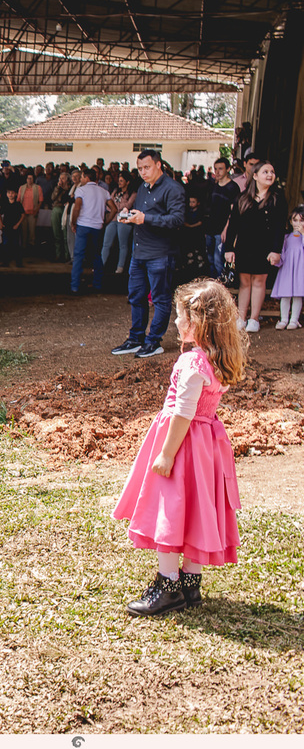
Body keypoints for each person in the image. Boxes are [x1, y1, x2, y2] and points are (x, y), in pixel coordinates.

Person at [112, 279, 248, 616]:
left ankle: (168, 587)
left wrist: (166, 453)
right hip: (205, 447)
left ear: (198, 322)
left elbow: (183, 413)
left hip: (182, 444)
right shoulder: (216, 360)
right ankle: (190, 583)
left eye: (181, 316)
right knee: (195, 509)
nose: (175, 321)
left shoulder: (192, 363)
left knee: (170, 511)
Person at [111, 150, 185, 359]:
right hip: (139, 251)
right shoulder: (143, 188)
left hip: (161, 253)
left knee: (160, 299)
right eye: (140, 168)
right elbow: (141, 215)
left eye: (147, 167)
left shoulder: (173, 188)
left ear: (158, 165)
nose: (143, 172)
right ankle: (136, 338)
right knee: (136, 296)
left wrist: (146, 219)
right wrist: (129, 216)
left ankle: (153, 341)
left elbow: (177, 220)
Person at [224, 161, 287, 333]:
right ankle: (241, 318)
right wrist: (229, 248)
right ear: (256, 175)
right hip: (244, 246)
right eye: (265, 172)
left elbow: (280, 227)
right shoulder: (243, 198)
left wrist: (276, 250)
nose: (270, 175)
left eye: (272, 172)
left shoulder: (277, 199)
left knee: (259, 282)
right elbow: (233, 225)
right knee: (244, 283)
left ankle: (254, 319)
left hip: (265, 248)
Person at [70, 168, 109, 293]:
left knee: (79, 256)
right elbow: (113, 209)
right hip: (97, 227)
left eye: (82, 177)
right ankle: (97, 284)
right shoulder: (103, 191)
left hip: (83, 225)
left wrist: (73, 222)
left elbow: (77, 207)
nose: (81, 179)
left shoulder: (81, 190)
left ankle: (75, 285)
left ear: (86, 177)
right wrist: (105, 222)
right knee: (96, 255)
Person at [204, 158, 239, 278]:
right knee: (210, 260)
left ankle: (221, 285)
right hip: (210, 228)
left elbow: (234, 212)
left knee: (218, 261)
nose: (217, 172)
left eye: (221, 169)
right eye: (216, 169)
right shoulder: (213, 186)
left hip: (222, 230)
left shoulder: (233, 187)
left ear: (228, 169)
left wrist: (227, 229)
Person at [271, 206, 304, 330]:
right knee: (285, 295)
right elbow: (282, 253)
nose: (298, 223)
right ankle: (284, 319)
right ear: (290, 221)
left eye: (301, 220)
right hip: (287, 269)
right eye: (295, 220)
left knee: (297, 295)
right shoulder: (286, 237)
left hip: (300, 269)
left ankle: (294, 320)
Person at [0, 185, 24, 267]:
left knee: (16, 245)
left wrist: (18, 224)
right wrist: (1, 224)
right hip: (6, 227)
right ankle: (5, 262)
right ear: (6, 194)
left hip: (15, 227)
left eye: (12, 193)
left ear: (15, 194)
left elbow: (23, 215)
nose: (10, 195)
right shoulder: (4, 204)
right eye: (9, 193)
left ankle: (18, 263)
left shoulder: (18, 204)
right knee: (6, 244)